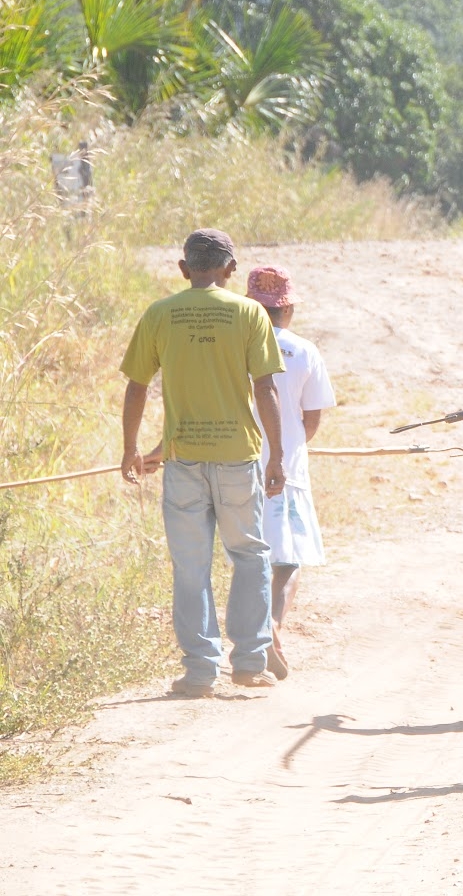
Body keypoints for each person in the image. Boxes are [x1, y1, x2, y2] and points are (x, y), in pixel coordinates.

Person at [119, 229, 286, 697]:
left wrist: (131, 446)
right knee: (250, 555)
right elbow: (265, 388)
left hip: (184, 460)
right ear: (230, 269)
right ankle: (250, 662)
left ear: (183, 268)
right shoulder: (249, 312)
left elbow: (136, 386)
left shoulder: (160, 314)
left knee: (191, 565)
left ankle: (199, 671)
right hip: (238, 458)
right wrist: (275, 456)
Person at [245, 265, 337, 682]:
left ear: (251, 307)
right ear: (289, 309)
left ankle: (254, 636)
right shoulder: (304, 351)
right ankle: (273, 627)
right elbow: (311, 418)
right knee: (289, 559)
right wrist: (293, 444)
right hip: (286, 469)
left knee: (250, 555)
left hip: (239, 462)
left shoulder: (235, 347)